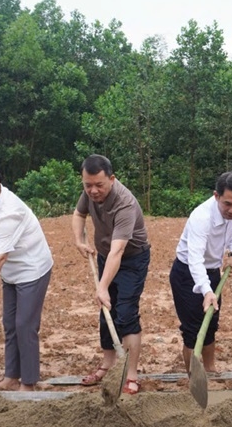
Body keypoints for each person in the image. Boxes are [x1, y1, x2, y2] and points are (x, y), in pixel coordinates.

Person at [0, 162, 53, 391]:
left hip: (32, 268)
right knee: (10, 323)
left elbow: (0, 257)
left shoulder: (9, 211)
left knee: (25, 324)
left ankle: (29, 382)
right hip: (10, 271)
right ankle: (11, 376)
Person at [72, 154, 150, 395]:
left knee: (125, 313)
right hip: (107, 255)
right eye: (88, 185)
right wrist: (79, 241)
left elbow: (119, 250)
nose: (93, 191)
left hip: (132, 259)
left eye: (99, 185)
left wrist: (102, 286)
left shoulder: (124, 203)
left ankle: (131, 374)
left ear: (112, 179)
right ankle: (108, 365)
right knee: (106, 312)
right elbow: (79, 214)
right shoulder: (89, 192)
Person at [169, 172, 232, 375]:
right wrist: (206, 291)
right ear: (216, 196)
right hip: (187, 274)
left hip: (213, 272)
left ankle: (210, 369)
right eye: (228, 204)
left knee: (211, 323)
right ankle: (193, 376)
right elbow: (195, 259)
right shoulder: (201, 217)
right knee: (193, 330)